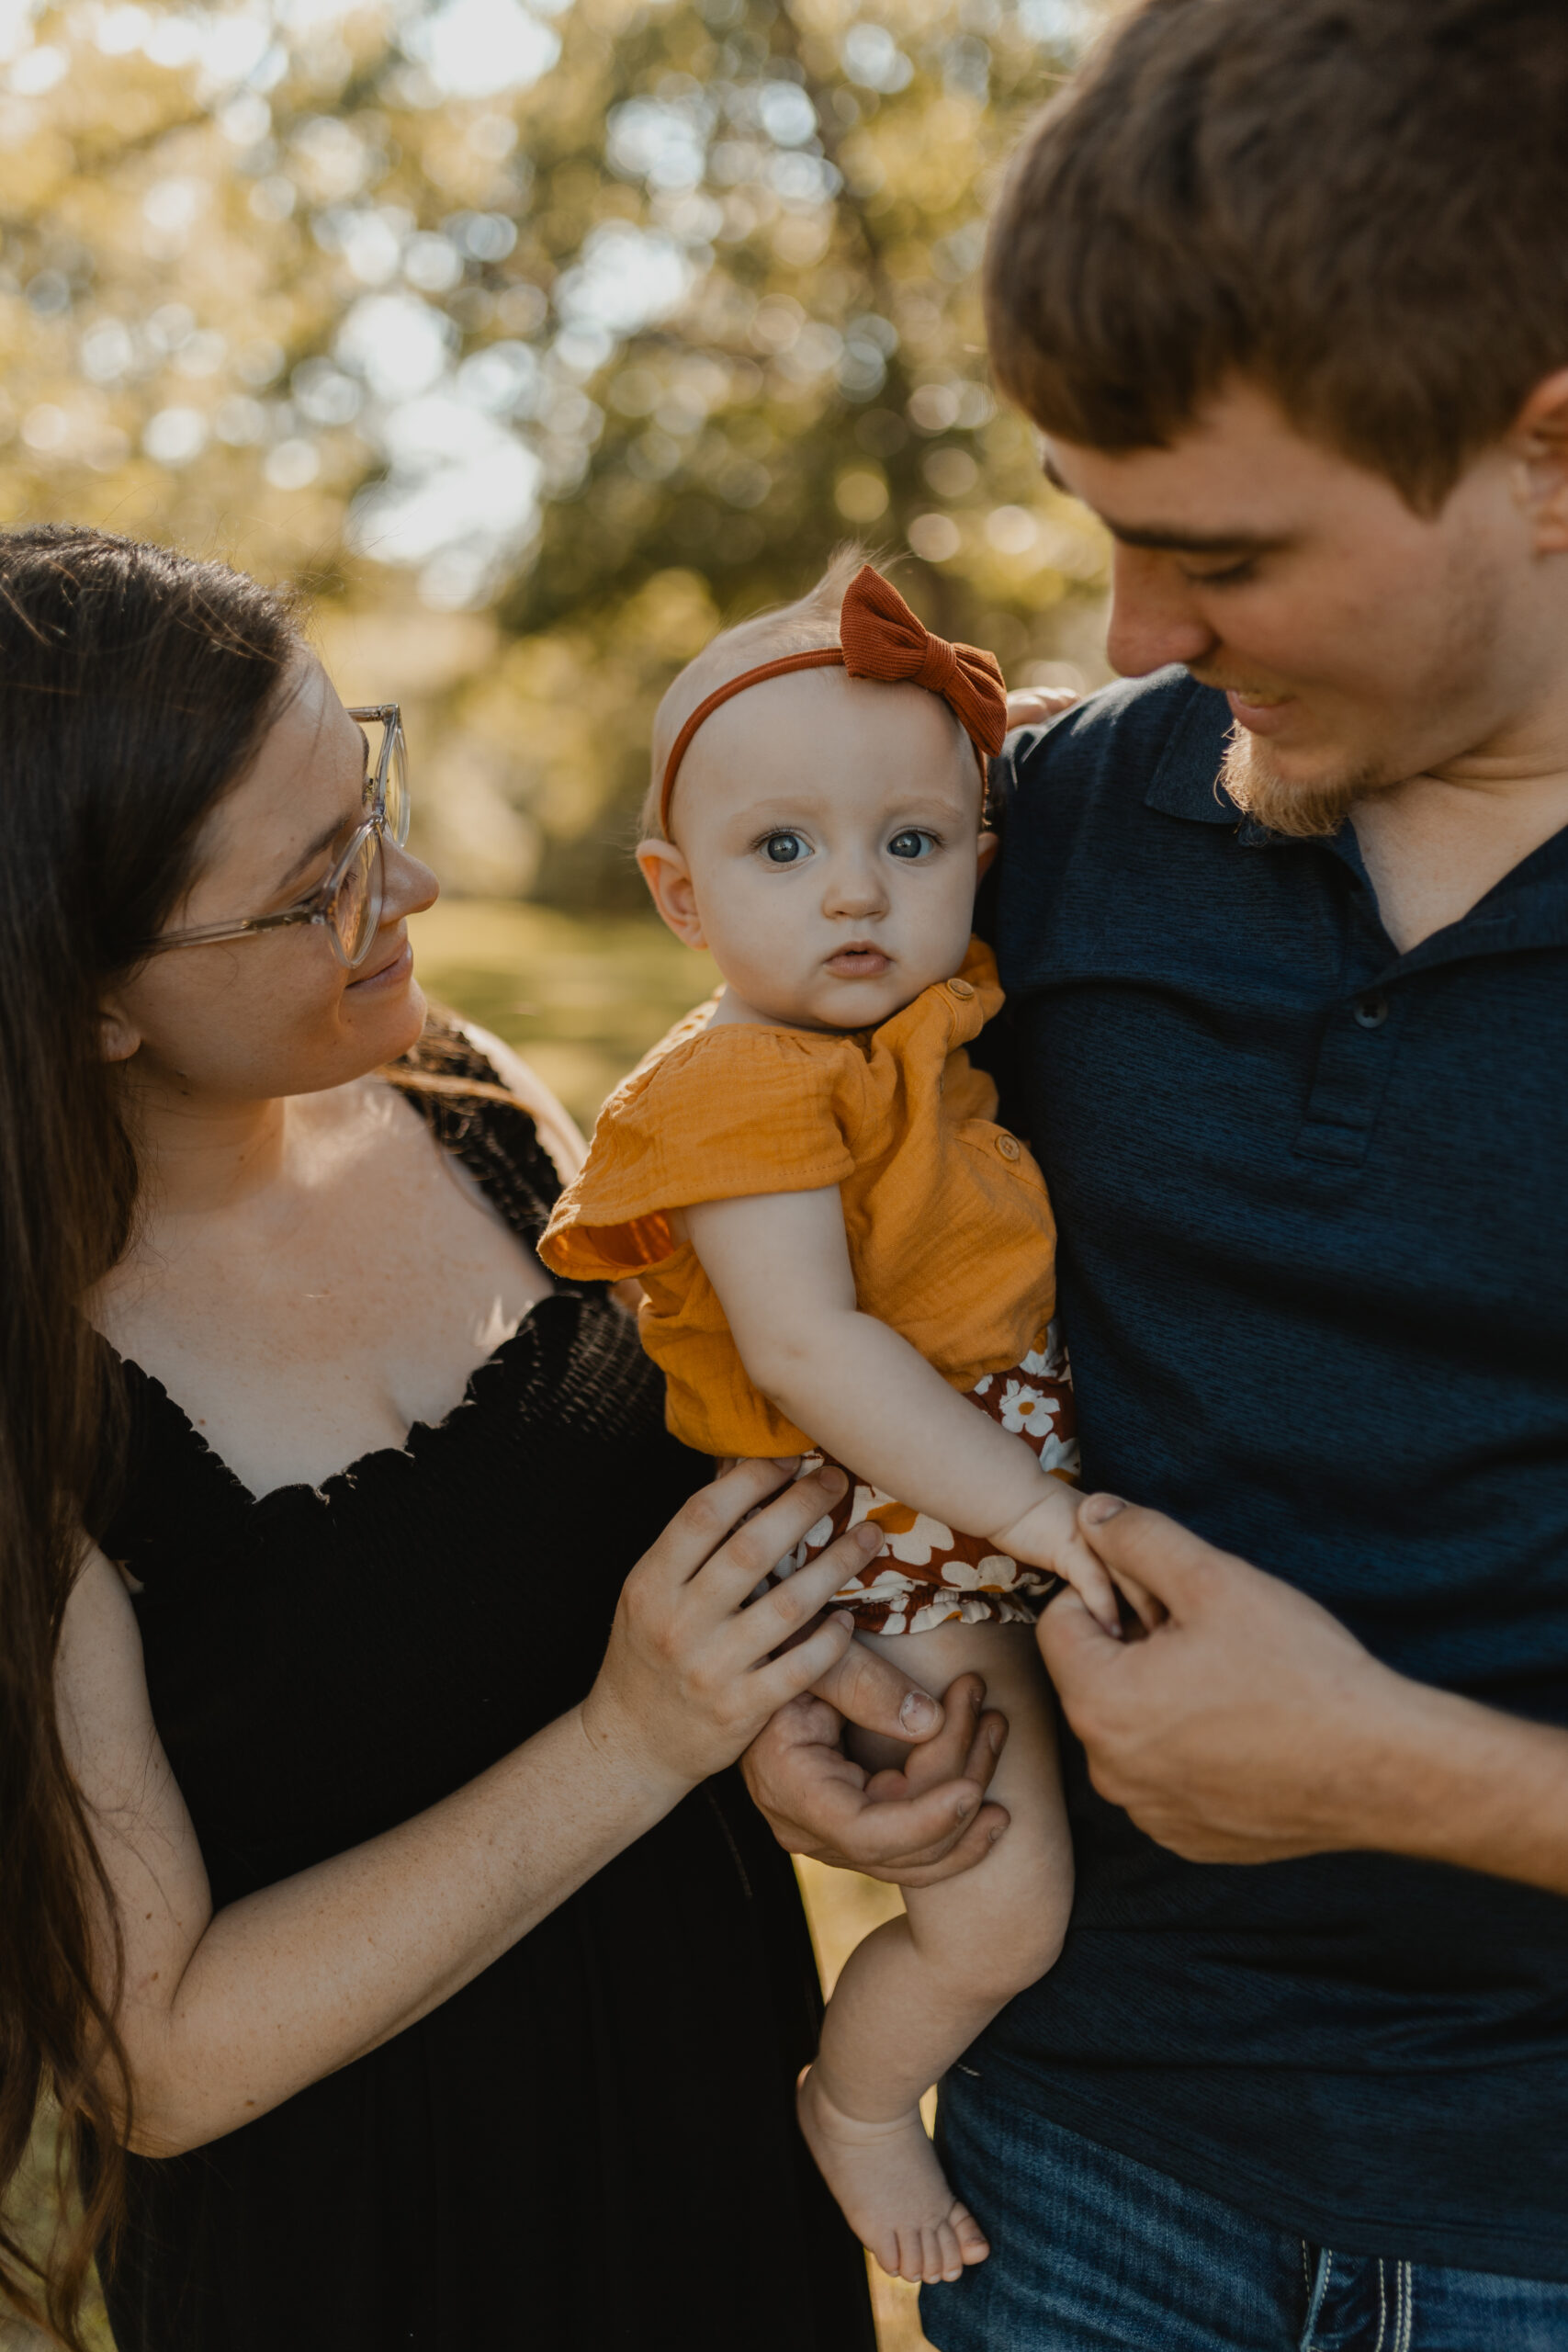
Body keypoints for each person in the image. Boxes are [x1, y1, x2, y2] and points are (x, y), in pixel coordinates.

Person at [741, 3, 1568, 2345]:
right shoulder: (1050, 831)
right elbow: (859, 1270)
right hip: (1078, 2171)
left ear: (1546, 457)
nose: (1128, 639)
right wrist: (849, 1661)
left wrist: (1406, 1772)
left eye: (1218, 554)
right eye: (1103, 536)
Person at [0, 524, 886, 2352]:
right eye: (318, 880)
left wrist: (810, 1719)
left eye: (369, 789)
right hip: (373, 2252)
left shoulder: (475, 1095)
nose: (419, 877)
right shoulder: (36, 1395)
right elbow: (146, 2052)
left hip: (710, 2128)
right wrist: (633, 1742)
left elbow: (681, 1524)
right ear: (87, 998)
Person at [538, 553, 1133, 2290]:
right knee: (1003, 1894)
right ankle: (865, 2103)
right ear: (678, 894)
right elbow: (807, 1351)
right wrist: (1042, 1521)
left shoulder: (890, 1020)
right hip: (884, 1522)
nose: (856, 894)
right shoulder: (737, 1082)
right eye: (781, 851)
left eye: (914, 845)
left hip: (953, 1486)